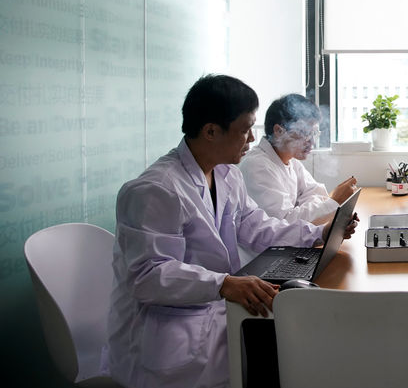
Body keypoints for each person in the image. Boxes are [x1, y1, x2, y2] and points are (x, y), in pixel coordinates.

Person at [106, 75, 358, 388]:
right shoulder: (155, 190)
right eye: (244, 129)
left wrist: (317, 236)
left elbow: (257, 227)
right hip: (164, 338)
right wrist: (224, 284)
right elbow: (148, 277)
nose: (253, 138)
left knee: (294, 336)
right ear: (211, 131)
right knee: (280, 348)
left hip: (212, 310)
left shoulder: (226, 175)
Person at [240, 93, 358, 223]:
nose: (312, 141)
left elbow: (316, 193)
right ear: (279, 131)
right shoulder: (256, 166)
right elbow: (285, 224)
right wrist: (334, 202)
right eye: (305, 132)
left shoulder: (291, 161)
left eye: (314, 133)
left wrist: (311, 209)